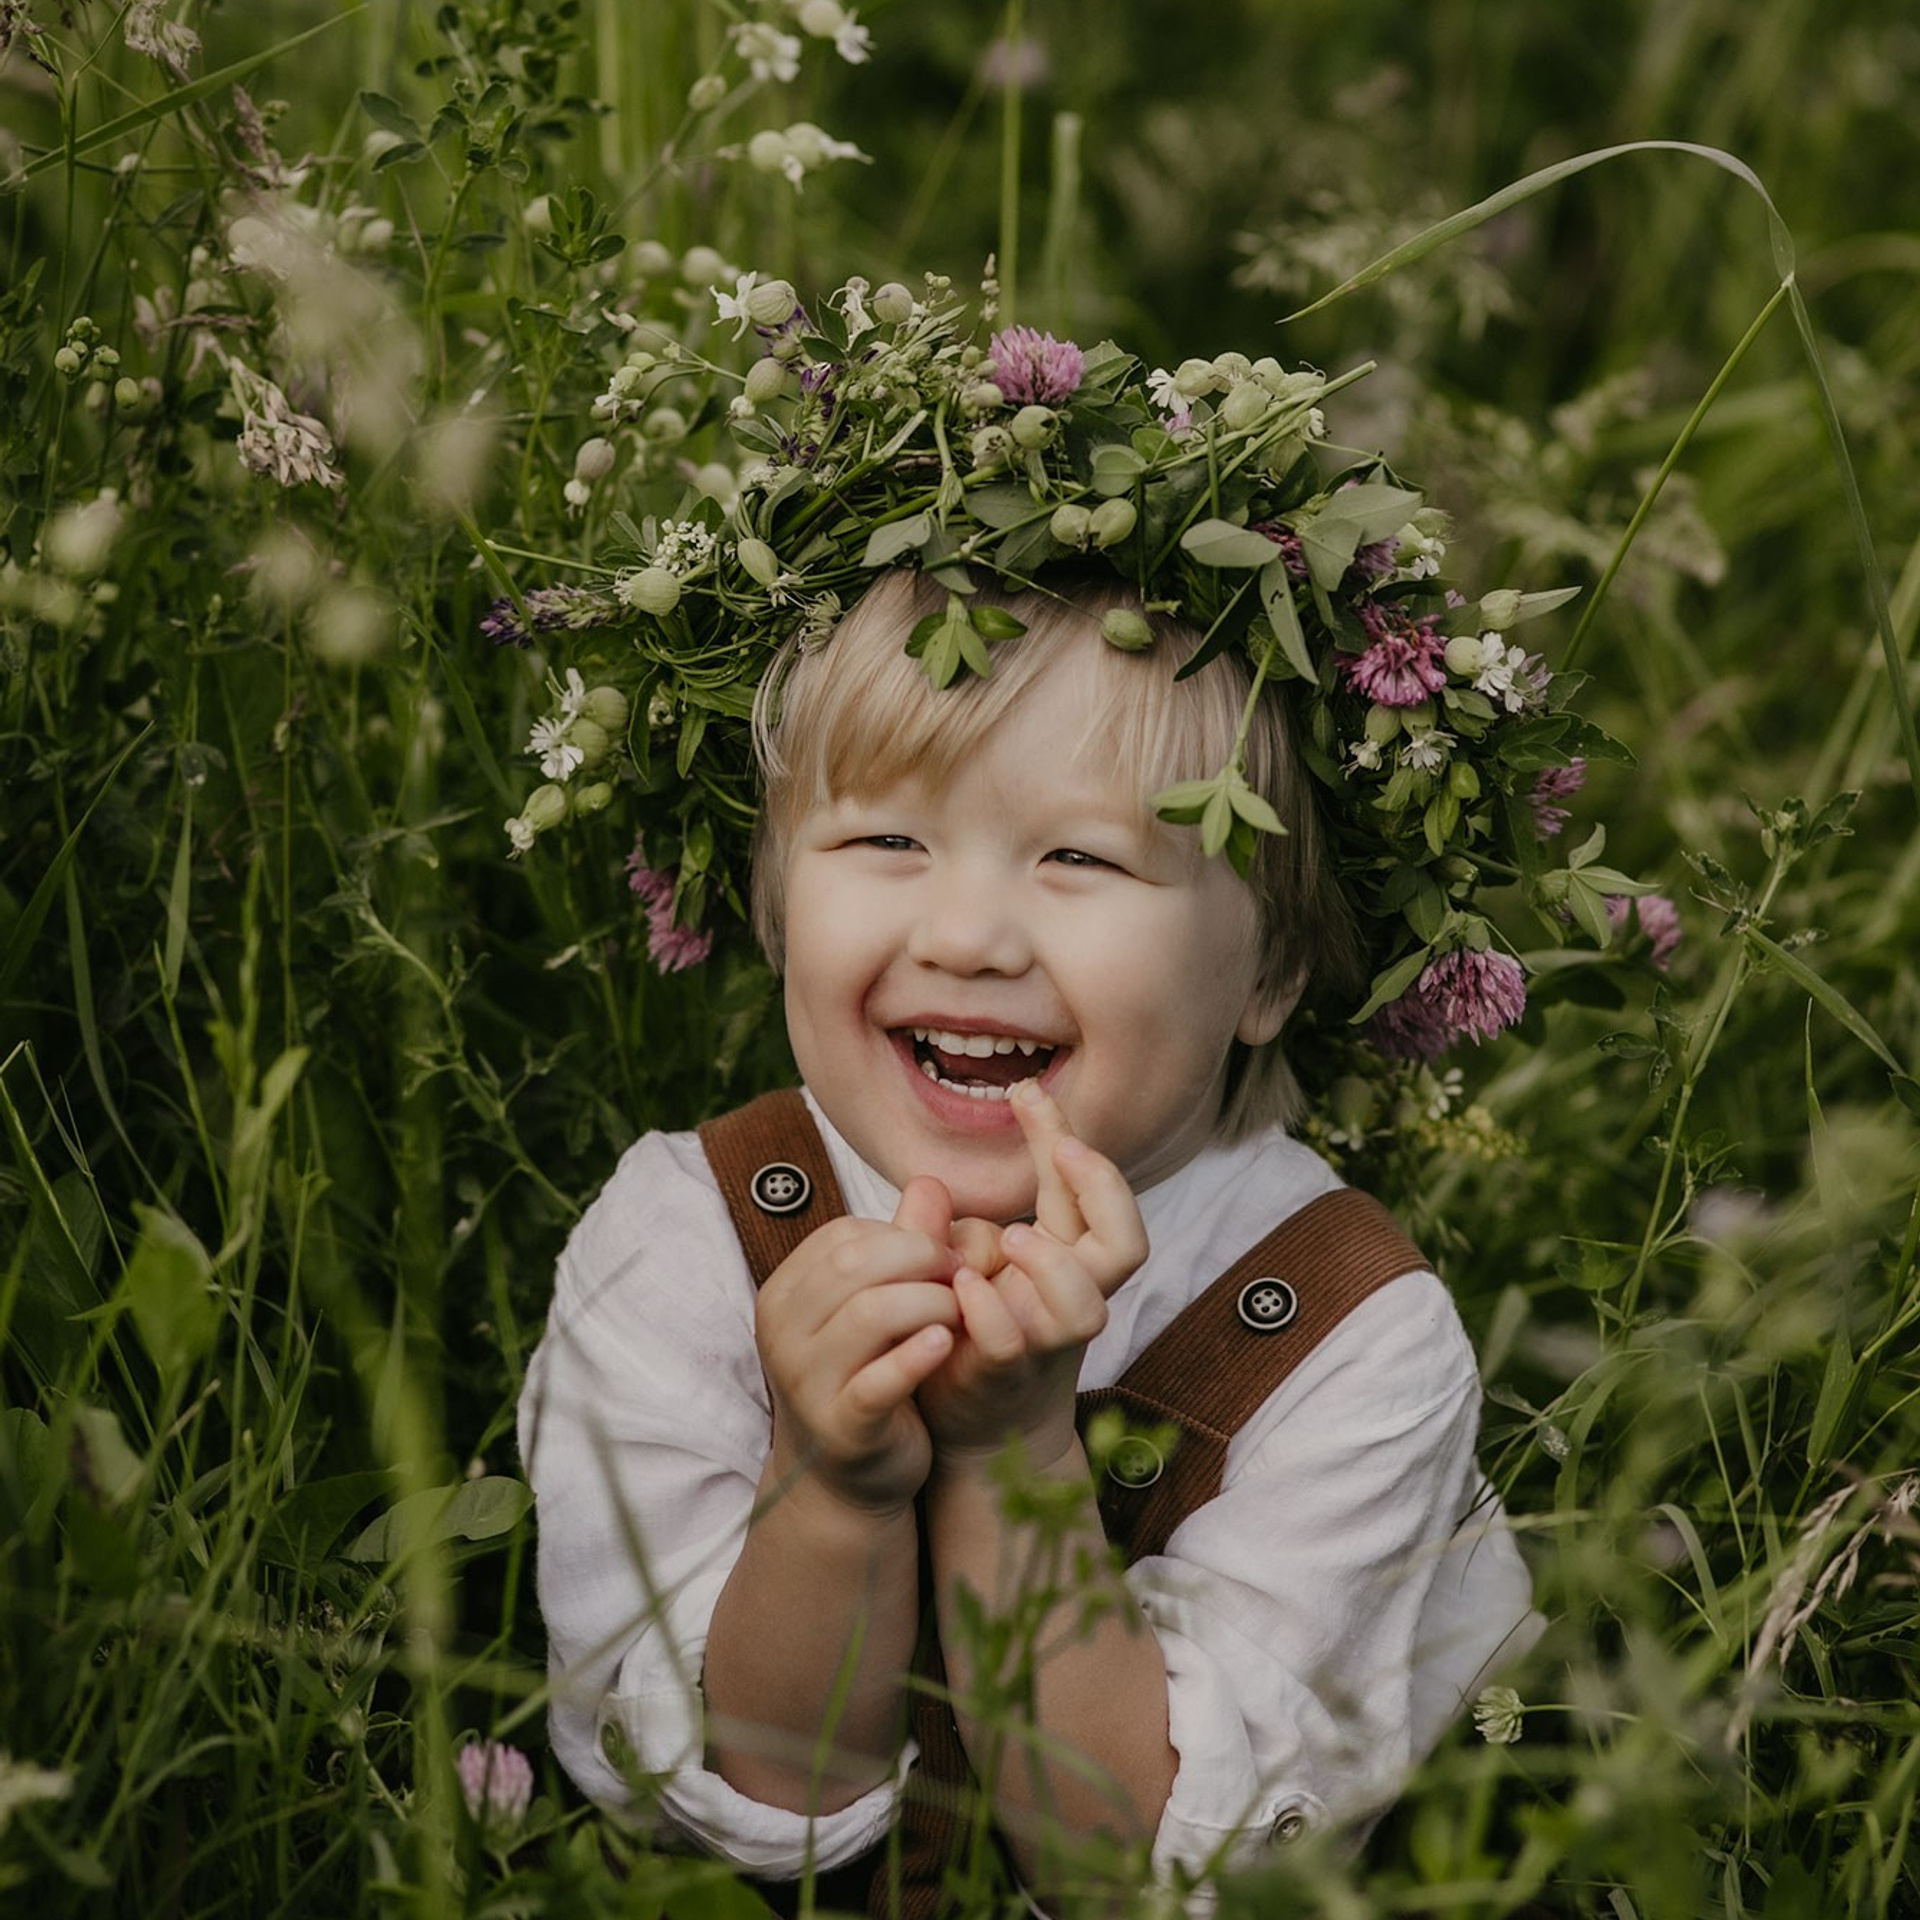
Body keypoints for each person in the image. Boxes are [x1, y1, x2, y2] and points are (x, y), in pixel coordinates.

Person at [518, 566, 1543, 1906]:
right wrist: (829, 1483)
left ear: (1273, 967)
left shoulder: (1350, 1337)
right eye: (889, 840)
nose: (965, 936)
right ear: (774, 900)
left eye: (1080, 857)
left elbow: (1143, 1875)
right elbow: (733, 1810)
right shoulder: (685, 1238)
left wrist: (1014, 1463)